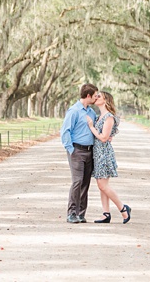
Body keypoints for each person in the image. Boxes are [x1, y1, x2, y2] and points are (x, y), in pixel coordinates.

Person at [86, 91, 131, 224]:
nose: (96, 97)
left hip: (104, 154)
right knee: (102, 185)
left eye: (99, 96)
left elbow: (104, 138)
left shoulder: (108, 117)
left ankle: (123, 208)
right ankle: (106, 214)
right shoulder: (100, 116)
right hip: (97, 153)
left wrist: (91, 127)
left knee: (103, 185)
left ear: (105, 100)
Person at [60, 83, 99, 224]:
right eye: (95, 96)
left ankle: (81, 213)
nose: (97, 98)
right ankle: (71, 213)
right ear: (88, 96)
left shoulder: (91, 112)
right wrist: (71, 150)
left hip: (90, 151)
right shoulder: (74, 111)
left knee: (85, 183)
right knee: (77, 182)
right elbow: (65, 132)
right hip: (77, 150)